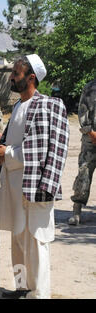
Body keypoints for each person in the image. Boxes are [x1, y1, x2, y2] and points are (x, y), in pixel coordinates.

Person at [0, 54, 70, 299]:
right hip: (14, 186)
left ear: (31, 78)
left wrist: (8, 152)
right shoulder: (18, 105)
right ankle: (21, 288)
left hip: (36, 185)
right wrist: (0, 150)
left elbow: (48, 149)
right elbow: (12, 142)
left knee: (37, 241)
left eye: (16, 74)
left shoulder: (49, 105)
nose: (11, 78)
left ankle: (40, 294)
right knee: (17, 240)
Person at [69, 79, 96, 225]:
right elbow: (83, 110)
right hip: (90, 140)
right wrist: (90, 132)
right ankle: (76, 210)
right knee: (83, 174)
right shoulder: (90, 87)